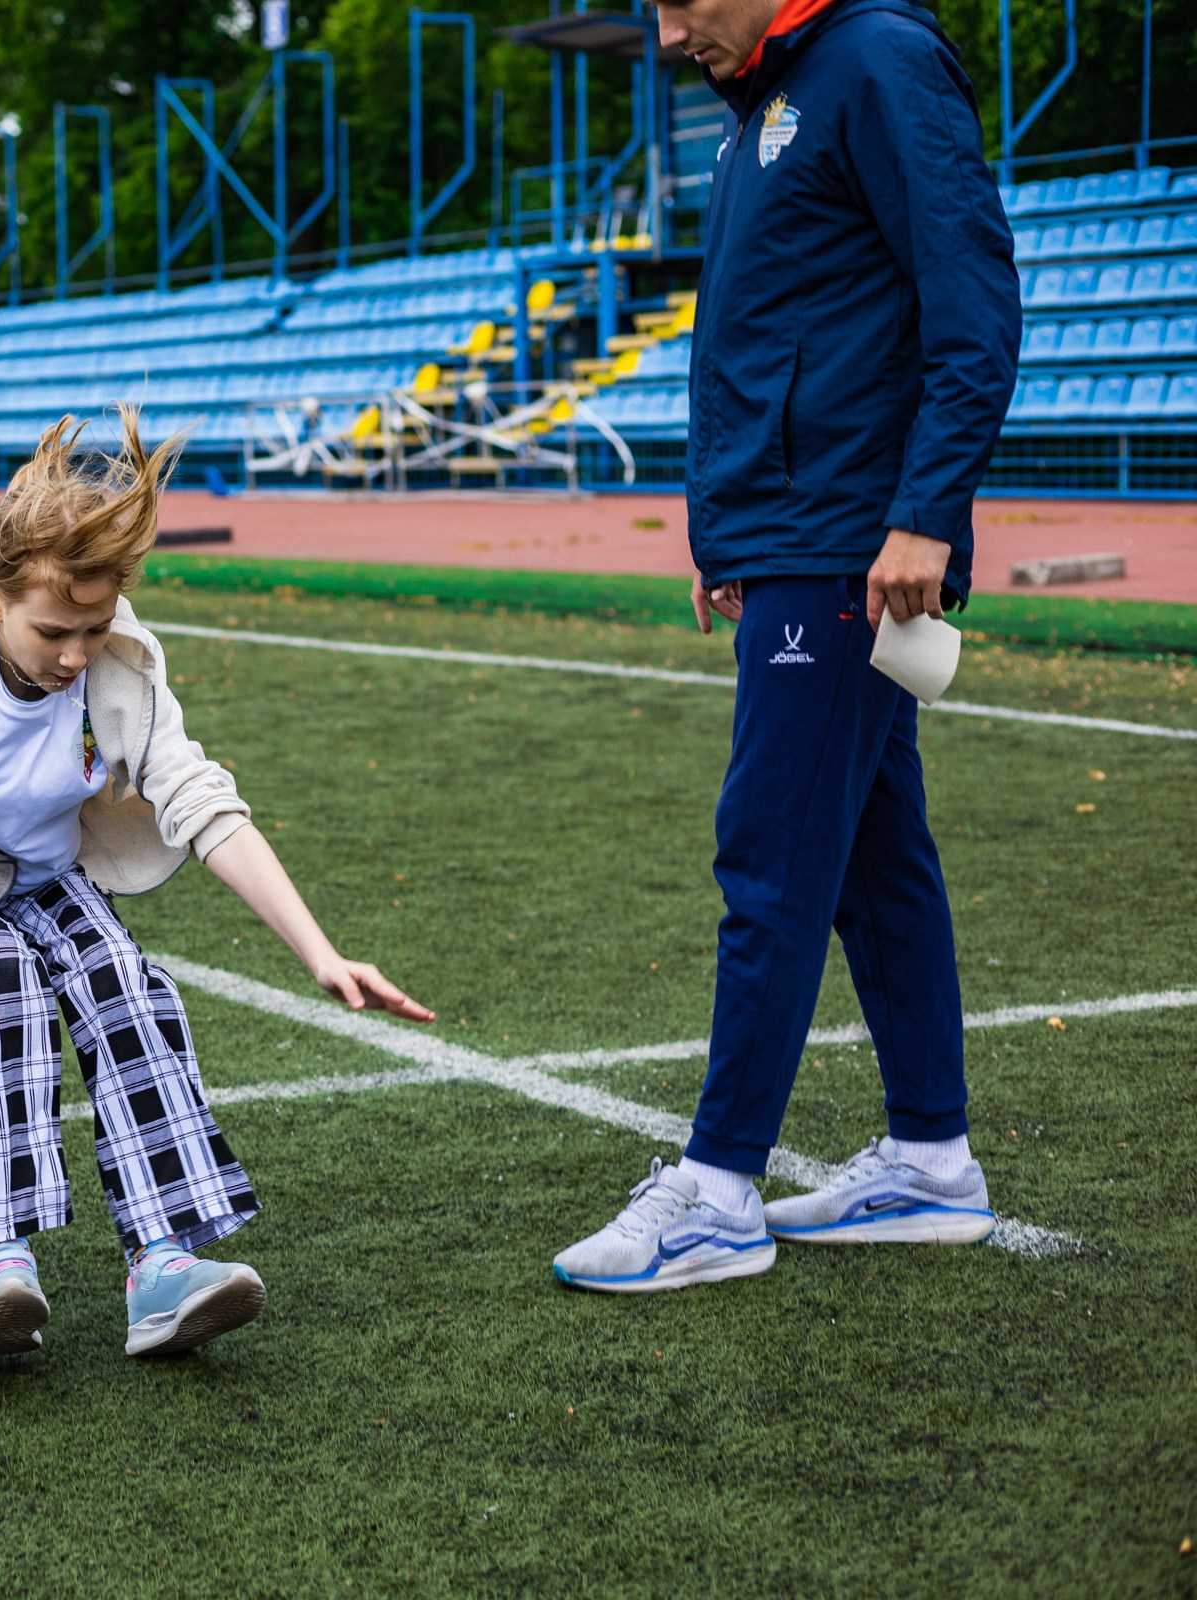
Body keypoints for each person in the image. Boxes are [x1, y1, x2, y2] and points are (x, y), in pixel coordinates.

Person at [551, 0, 1021, 1292]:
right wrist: (733, 539)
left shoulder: (877, 61)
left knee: (771, 853)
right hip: (798, 543)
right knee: (876, 860)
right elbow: (774, 337)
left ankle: (715, 1188)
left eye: (674, 1)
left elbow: (972, 295)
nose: (660, 35)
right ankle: (932, 1159)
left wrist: (927, 512)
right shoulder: (762, 99)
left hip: (850, 546)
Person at [0, 412, 436, 1360]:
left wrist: (319, 953)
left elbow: (202, 802)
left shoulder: (120, 663)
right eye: (52, 631)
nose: (76, 653)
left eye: (94, 626)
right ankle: (1, 1260)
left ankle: (160, 1264)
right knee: (0, 977)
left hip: (45, 871)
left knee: (125, 981)